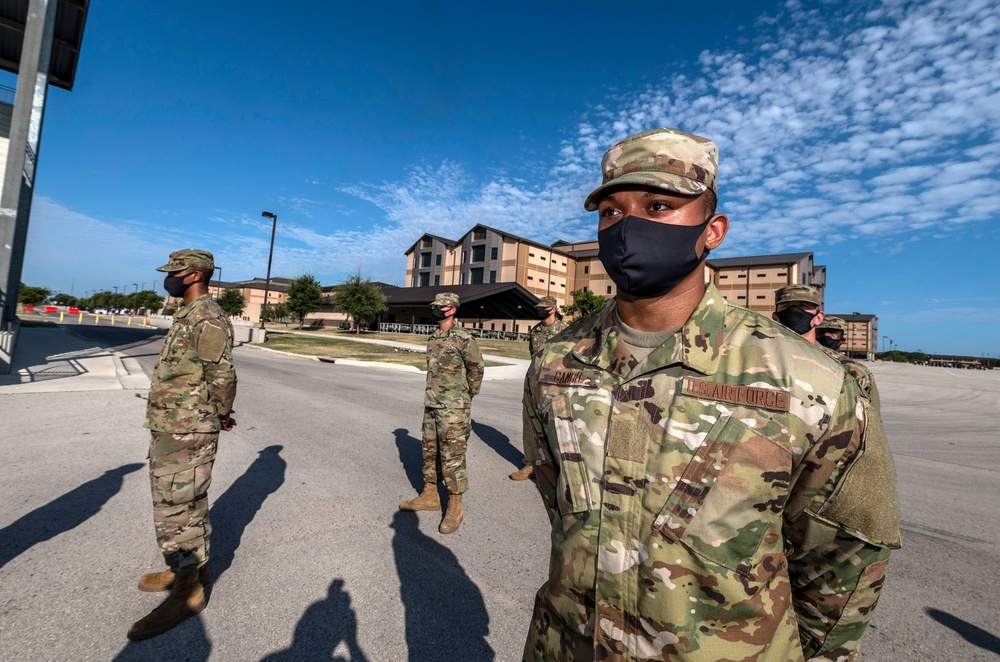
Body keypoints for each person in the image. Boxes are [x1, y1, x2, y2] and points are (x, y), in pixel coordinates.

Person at [521, 128, 900, 661]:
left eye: (658, 205)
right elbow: (560, 505)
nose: (627, 227)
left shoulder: (810, 379)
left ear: (712, 231)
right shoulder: (555, 361)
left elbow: (843, 561)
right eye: (610, 212)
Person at [127, 249, 237, 641]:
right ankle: (191, 568)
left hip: (188, 430)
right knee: (185, 502)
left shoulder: (207, 317)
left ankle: (189, 591)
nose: (169, 277)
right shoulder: (188, 315)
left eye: (174, 272)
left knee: (177, 507)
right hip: (175, 427)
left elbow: (221, 376)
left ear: (193, 275)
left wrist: (219, 415)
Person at [399, 292, 484, 534]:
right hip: (432, 404)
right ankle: (430, 495)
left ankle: (455, 505)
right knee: (429, 450)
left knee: (453, 456)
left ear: (452, 310)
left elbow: (476, 369)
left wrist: (466, 397)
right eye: (435, 306)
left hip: (454, 407)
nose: (436, 309)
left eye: (441, 307)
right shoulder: (434, 337)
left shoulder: (464, 337)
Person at [511, 296, 569, 481]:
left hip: (557, 386)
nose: (540, 311)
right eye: (539, 308)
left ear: (553, 309)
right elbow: (533, 358)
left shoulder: (566, 331)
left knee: (557, 428)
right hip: (536, 385)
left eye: (544, 308)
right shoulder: (535, 332)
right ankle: (531, 464)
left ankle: (560, 467)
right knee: (532, 426)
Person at [816, 316, 881, 410]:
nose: (826, 335)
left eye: (832, 332)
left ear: (842, 341)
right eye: (821, 332)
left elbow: (873, 410)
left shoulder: (856, 370)